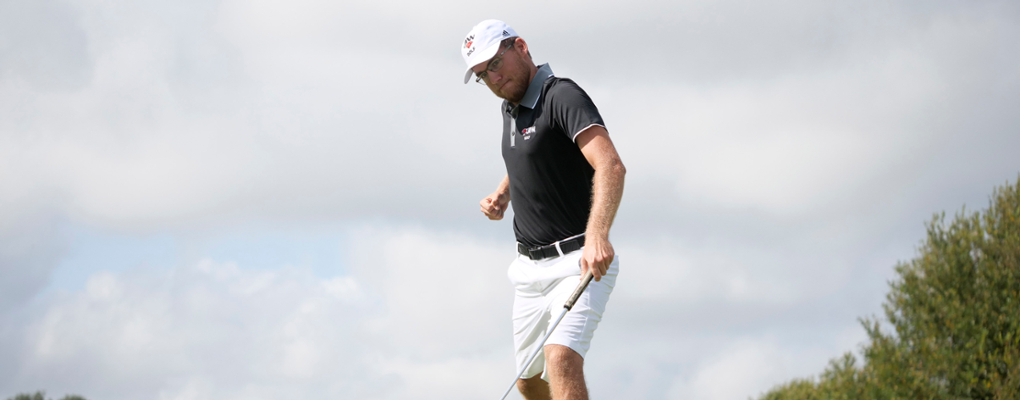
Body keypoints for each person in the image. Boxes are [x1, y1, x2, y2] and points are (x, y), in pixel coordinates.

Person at [460, 20, 626, 400]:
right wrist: (504, 192)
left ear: (520, 47)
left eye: (495, 65)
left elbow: (610, 165)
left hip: (578, 261)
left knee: (560, 360)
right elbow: (535, 155)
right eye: (483, 75)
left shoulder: (562, 96)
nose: (494, 79)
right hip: (528, 272)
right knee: (528, 381)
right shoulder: (511, 108)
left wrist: (597, 236)